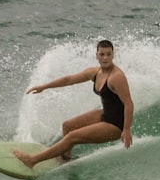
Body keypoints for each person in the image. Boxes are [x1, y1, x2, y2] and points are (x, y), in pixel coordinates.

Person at [12, 39, 134, 169]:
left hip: (115, 125)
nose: (105, 58)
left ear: (113, 55)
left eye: (109, 54)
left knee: (72, 137)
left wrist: (126, 130)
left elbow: (129, 104)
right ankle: (65, 159)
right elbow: (69, 80)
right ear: (96, 55)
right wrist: (44, 86)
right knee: (68, 126)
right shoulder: (95, 72)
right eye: (102, 54)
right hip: (105, 115)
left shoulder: (117, 77)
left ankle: (32, 161)